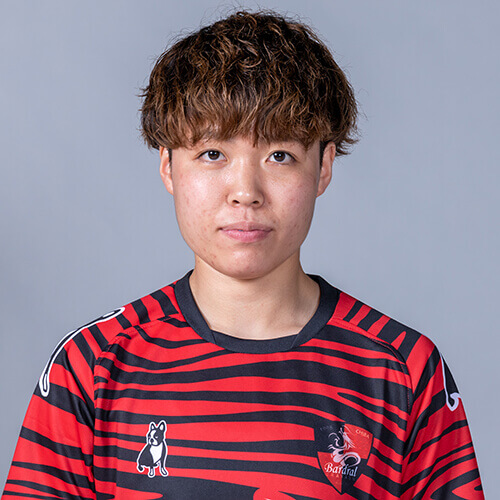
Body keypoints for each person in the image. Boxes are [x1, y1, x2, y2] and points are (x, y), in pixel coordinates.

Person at [2, 9, 483, 499]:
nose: (246, 192)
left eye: (280, 156)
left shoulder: (402, 370)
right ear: (168, 166)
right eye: (212, 154)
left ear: (323, 166)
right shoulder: (91, 366)